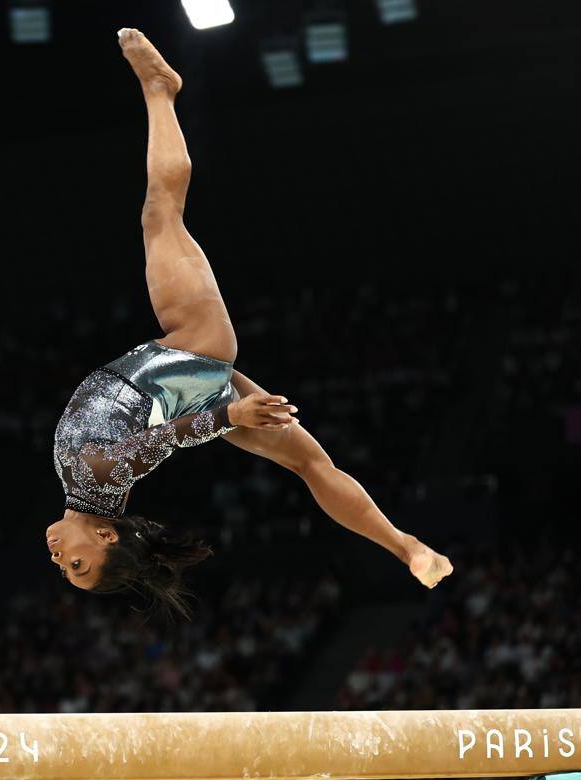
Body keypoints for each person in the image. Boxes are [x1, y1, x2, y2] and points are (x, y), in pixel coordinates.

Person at [47, 29, 453, 617]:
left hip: (188, 384)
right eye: (78, 565)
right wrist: (230, 416)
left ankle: (407, 548)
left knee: (310, 464)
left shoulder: (91, 490)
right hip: (191, 350)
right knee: (161, 215)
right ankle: (160, 90)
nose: (60, 558)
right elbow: (164, 439)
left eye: (63, 570)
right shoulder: (96, 477)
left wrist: (221, 414)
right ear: (106, 536)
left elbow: (160, 436)